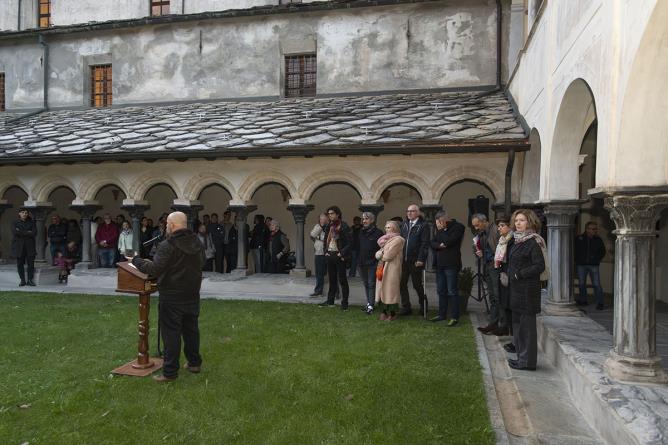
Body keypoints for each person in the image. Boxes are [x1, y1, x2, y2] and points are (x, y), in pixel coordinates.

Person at [131, 211, 205, 382]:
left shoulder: (168, 245)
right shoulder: (197, 242)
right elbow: (202, 262)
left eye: (167, 224)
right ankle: (194, 363)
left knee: (171, 334)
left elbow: (155, 269)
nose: (165, 227)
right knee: (191, 330)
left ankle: (170, 373)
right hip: (192, 293)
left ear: (171, 225)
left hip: (171, 296)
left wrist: (136, 261)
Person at [507, 209, 547, 371]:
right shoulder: (518, 240)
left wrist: (519, 274)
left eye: (522, 220)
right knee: (519, 327)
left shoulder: (532, 242)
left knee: (527, 329)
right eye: (516, 220)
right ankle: (521, 358)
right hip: (517, 290)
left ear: (530, 222)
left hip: (527, 291)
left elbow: (539, 266)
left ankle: (528, 362)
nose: (518, 223)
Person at [430, 210, 465, 326]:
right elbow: (433, 243)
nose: (437, 225)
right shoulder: (440, 230)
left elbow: (449, 241)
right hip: (440, 264)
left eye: (439, 222)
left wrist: (441, 232)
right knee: (441, 291)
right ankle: (441, 314)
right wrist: (440, 245)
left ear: (444, 219)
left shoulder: (458, 227)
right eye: (437, 224)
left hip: (451, 264)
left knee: (452, 291)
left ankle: (454, 317)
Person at [473, 213, 505, 335]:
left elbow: (501, 247)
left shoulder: (495, 230)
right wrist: (477, 251)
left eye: (477, 225)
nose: (476, 228)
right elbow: (477, 248)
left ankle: (501, 325)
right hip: (487, 265)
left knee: (498, 296)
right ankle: (493, 323)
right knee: (492, 296)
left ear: (484, 221)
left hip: (495, 266)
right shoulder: (481, 233)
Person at [318, 206, 352, 310]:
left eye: (332, 213)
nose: (330, 215)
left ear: (338, 214)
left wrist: (341, 254)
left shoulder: (344, 226)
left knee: (342, 280)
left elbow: (350, 243)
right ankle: (330, 301)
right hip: (330, 255)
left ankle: (344, 303)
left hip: (339, 255)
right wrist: (326, 252)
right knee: (332, 280)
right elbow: (325, 241)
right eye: (329, 214)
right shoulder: (329, 225)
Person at [399, 204, 430, 315]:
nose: (409, 213)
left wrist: (421, 258)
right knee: (402, 283)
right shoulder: (404, 224)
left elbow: (424, 243)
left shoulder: (423, 225)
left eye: (412, 211)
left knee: (417, 285)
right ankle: (406, 307)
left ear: (417, 212)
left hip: (416, 260)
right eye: (408, 211)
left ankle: (424, 306)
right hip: (404, 260)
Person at [375, 220, 405, 321]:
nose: (386, 229)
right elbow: (382, 252)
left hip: (393, 269)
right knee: (383, 290)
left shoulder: (398, 240)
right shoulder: (386, 240)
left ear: (395, 228)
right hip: (383, 267)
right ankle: (384, 312)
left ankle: (393, 313)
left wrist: (380, 254)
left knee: (391, 291)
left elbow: (388, 255)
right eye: (386, 227)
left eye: (389, 227)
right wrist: (381, 253)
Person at [495, 215, 516, 353]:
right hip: (504, 277)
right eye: (499, 226)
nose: (499, 228)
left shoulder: (513, 240)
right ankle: (512, 338)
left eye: (502, 225)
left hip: (512, 279)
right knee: (506, 308)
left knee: (512, 310)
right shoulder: (502, 240)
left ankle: (516, 341)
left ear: (509, 226)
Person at [575, 221, 606, 310]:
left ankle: (600, 302)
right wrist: (577, 259)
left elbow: (602, 251)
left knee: (596, 284)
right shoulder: (579, 238)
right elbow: (575, 250)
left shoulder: (598, 239)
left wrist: (596, 259)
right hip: (581, 265)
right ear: (587, 229)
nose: (594, 230)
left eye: (595, 229)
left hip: (593, 265)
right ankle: (583, 300)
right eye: (592, 229)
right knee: (581, 284)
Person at [358, 212, 383, 314]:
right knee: (366, 284)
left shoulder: (378, 233)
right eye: (363, 219)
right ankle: (369, 303)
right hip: (361, 263)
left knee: (371, 284)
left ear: (372, 220)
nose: (364, 221)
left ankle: (371, 305)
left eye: (366, 219)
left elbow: (382, 248)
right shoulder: (361, 232)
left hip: (373, 263)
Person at [12, 208, 36, 286]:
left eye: (26, 213)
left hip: (30, 246)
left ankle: (30, 280)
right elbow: (15, 232)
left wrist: (21, 232)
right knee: (20, 264)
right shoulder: (15, 222)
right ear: (19, 214)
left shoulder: (32, 223)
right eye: (22, 212)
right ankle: (22, 280)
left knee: (31, 264)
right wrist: (28, 232)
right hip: (19, 246)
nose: (24, 214)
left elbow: (34, 233)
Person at [309, 213, 328, 297]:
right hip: (319, 253)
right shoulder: (317, 226)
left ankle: (336, 292)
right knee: (319, 273)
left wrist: (320, 238)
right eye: (321, 218)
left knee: (332, 273)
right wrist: (321, 225)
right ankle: (318, 291)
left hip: (329, 253)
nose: (322, 220)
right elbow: (313, 234)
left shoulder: (330, 226)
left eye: (324, 218)